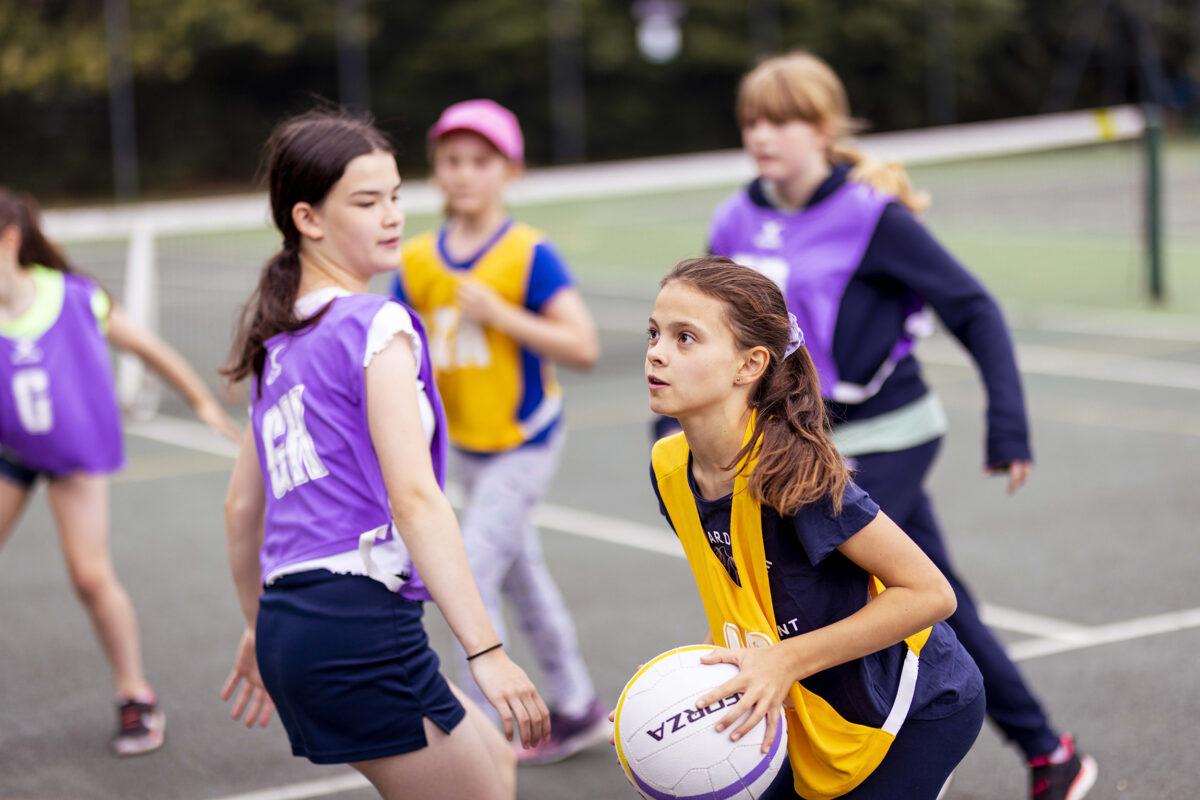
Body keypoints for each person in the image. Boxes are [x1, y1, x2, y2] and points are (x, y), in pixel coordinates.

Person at [707, 52, 1097, 800]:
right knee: (931, 590)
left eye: (783, 119)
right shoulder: (734, 215)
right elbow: (717, 327)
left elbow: (975, 308)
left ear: (823, 130)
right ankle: (1052, 753)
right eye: (752, 119)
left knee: (831, 581)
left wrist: (1008, 427)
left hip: (885, 433)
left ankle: (885, 749)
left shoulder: (869, 216)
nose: (763, 134)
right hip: (800, 437)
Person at [219, 109, 550, 800]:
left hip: (294, 622)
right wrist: (485, 651)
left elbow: (241, 508)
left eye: (396, 195)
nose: (392, 215)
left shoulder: (274, 346)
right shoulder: (375, 323)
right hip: (355, 625)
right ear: (308, 219)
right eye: (367, 202)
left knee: (494, 765)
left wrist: (258, 626)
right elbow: (416, 498)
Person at [645, 256, 985, 799]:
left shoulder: (793, 476)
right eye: (656, 333)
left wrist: (783, 659)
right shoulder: (671, 467)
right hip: (809, 704)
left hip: (914, 706)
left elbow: (930, 594)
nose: (657, 352)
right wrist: (685, 687)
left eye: (686, 338)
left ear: (748, 365)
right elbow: (738, 592)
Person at [392, 99, 606, 765]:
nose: (462, 174)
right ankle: (576, 706)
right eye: (451, 161)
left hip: (524, 440)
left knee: (470, 571)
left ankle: (483, 730)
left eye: (479, 161)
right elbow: (396, 349)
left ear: (509, 170)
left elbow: (583, 344)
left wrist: (501, 315)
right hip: (465, 447)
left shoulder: (527, 254)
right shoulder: (418, 260)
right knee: (521, 578)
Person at [0, 187, 240, 756]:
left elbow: (148, 348)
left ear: (9, 241)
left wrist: (200, 400)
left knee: (89, 576)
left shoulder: (76, 298)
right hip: (11, 452)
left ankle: (136, 694)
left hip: (74, 455)